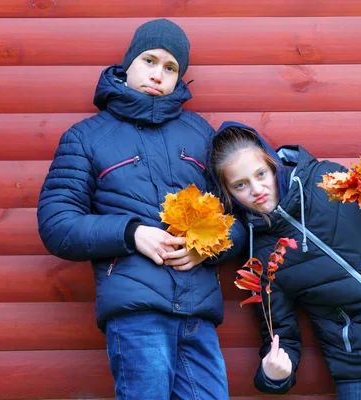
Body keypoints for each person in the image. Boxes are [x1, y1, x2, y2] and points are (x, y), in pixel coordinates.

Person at [37, 19, 245, 400]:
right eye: (149, 61)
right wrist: (131, 234)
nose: (158, 75)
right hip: (137, 314)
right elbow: (57, 223)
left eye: (170, 68)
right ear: (128, 63)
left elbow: (237, 220)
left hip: (197, 314)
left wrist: (205, 247)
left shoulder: (200, 133)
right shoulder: (85, 137)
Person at [208, 122, 361, 399]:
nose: (257, 189)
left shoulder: (323, 179)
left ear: (272, 164)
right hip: (359, 359)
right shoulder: (260, 256)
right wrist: (273, 375)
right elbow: (279, 332)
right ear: (228, 193)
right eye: (241, 185)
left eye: (261, 174)